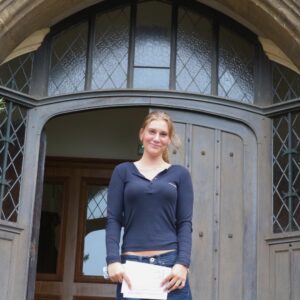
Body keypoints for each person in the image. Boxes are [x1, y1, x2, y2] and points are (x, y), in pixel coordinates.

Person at [105, 111, 194, 299]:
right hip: (132, 269)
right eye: (152, 132)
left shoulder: (180, 174)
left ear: (169, 139)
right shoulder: (122, 172)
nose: (156, 138)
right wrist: (113, 260)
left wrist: (183, 263)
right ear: (141, 134)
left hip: (170, 268)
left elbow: (185, 223)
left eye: (163, 134)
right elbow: (113, 219)